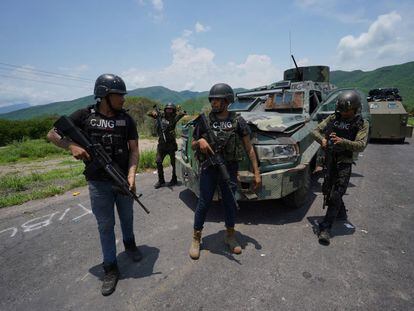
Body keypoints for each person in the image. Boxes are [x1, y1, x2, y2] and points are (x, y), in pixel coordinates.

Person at [47, 74, 142, 296]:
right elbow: (52, 133)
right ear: (105, 95)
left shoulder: (127, 120)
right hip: (98, 184)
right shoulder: (84, 115)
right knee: (105, 226)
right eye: (119, 95)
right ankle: (110, 267)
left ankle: (130, 244)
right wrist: (71, 146)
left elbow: (134, 151)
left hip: (122, 179)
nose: (123, 99)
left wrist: (132, 176)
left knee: (127, 217)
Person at [188, 83, 261, 260]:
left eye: (217, 99)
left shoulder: (238, 121)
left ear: (227, 101)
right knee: (204, 203)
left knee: (230, 203)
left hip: (229, 168)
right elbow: (193, 143)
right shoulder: (204, 120)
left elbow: (249, 148)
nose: (213, 102)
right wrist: (200, 143)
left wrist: (256, 173)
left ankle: (230, 235)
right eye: (212, 99)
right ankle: (196, 238)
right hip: (209, 169)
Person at [311, 90, 369, 245]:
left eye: (347, 111)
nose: (343, 114)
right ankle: (341, 212)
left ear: (356, 109)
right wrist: (322, 140)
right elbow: (315, 131)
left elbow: (361, 145)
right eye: (341, 110)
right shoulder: (333, 118)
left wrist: (341, 141)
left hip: (344, 161)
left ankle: (325, 228)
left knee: (337, 193)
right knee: (328, 190)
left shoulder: (361, 123)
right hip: (330, 159)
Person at [147, 103, 186, 188]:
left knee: (173, 163)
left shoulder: (175, 117)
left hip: (171, 144)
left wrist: (181, 111)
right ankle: (161, 181)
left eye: (171, 109)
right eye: (167, 109)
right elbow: (149, 113)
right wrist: (153, 112)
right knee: (158, 161)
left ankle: (174, 179)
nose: (169, 111)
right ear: (165, 110)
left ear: (173, 110)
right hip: (161, 145)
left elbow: (183, 113)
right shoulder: (160, 116)